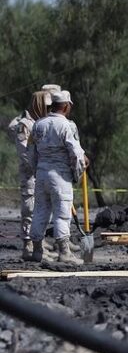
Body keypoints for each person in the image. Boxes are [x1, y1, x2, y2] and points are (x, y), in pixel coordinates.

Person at [28, 90, 87, 264]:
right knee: (62, 215)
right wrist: (76, 174)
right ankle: (64, 253)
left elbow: (31, 152)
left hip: (41, 173)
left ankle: (37, 251)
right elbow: (76, 155)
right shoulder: (66, 126)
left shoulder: (38, 124)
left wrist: (37, 170)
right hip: (60, 176)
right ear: (66, 106)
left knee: (39, 212)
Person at [7, 90, 52, 260]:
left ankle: (38, 242)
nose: (48, 109)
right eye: (46, 106)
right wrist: (41, 166)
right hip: (30, 175)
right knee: (30, 209)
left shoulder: (40, 122)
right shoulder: (24, 125)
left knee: (42, 210)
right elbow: (25, 153)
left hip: (41, 173)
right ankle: (28, 245)